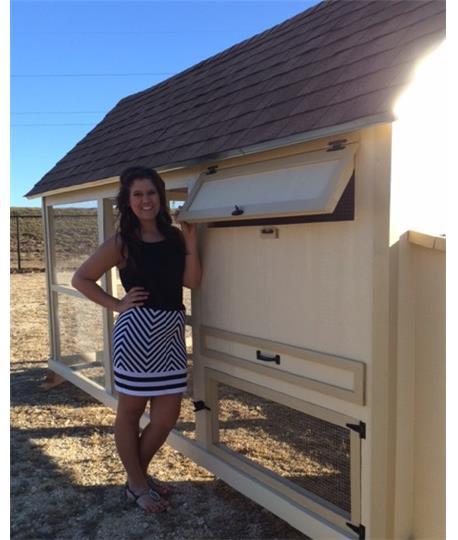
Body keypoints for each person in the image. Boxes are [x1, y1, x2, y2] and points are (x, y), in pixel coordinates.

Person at [72, 166, 201, 513]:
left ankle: (135, 479)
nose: (146, 200)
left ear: (160, 195)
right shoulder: (121, 242)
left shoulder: (175, 238)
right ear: (128, 202)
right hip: (136, 335)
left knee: (166, 416)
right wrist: (117, 304)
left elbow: (192, 282)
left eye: (151, 193)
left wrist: (190, 242)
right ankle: (139, 483)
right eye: (138, 195)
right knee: (130, 413)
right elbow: (81, 278)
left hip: (171, 334)